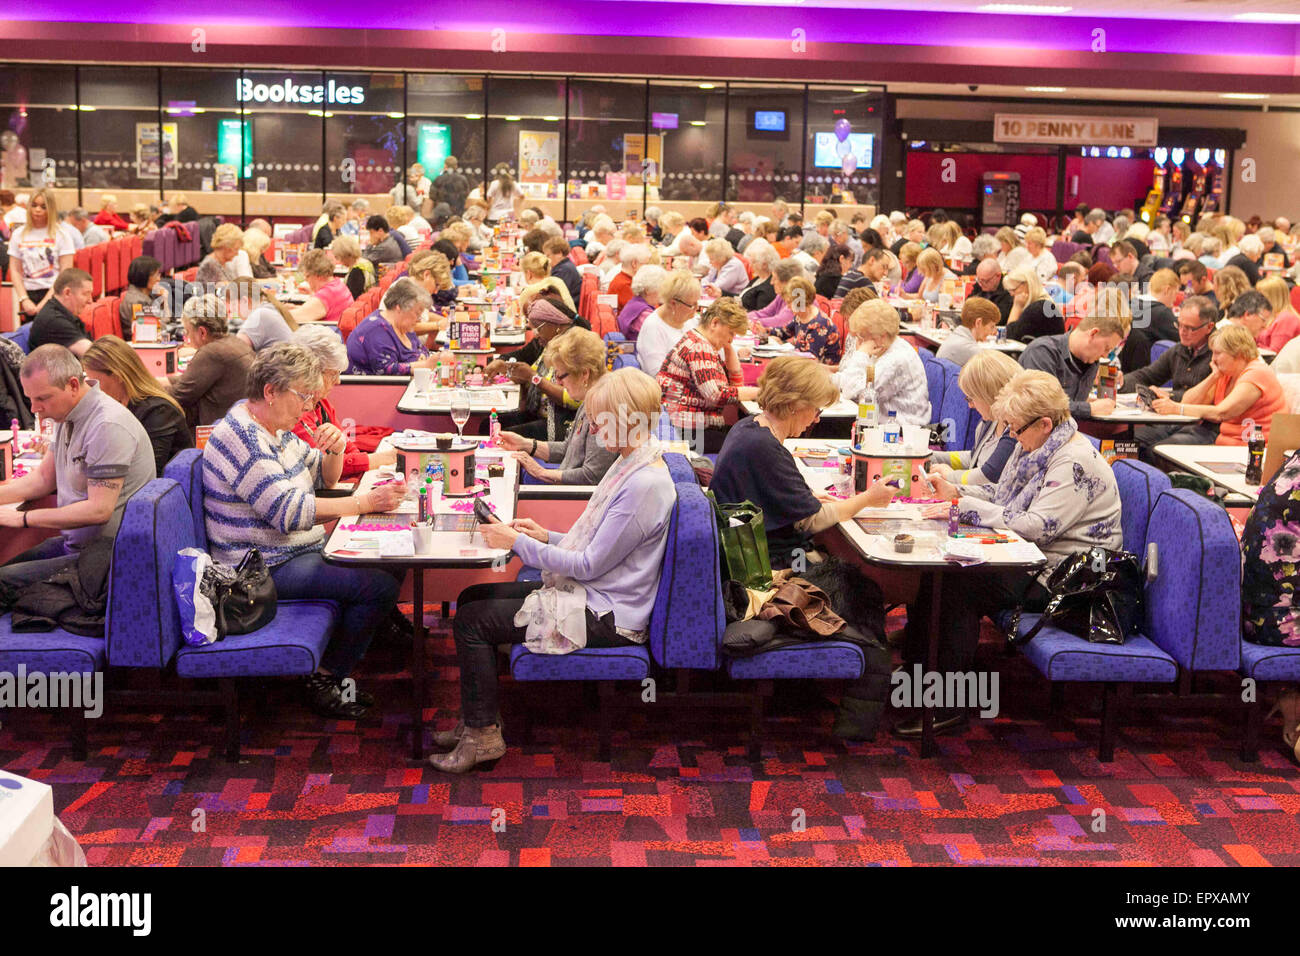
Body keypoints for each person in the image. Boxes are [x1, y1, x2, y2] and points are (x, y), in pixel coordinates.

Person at [431, 368, 674, 772]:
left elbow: (590, 564)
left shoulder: (644, 483)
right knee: (472, 598)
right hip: (597, 593)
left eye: (600, 419)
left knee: (473, 621)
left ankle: (483, 736)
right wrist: (544, 535)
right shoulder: (632, 462)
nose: (594, 427)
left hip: (609, 615)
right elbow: (597, 548)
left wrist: (519, 545)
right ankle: (478, 718)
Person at [911, 371, 1122, 735]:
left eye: (1015, 428)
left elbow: (1036, 525)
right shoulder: (1037, 445)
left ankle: (947, 707)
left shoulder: (1073, 461)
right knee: (937, 575)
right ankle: (918, 679)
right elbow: (1002, 499)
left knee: (961, 585)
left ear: (1043, 423)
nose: (1010, 435)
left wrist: (965, 509)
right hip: (1034, 558)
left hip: (1068, 578)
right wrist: (956, 495)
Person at [202, 344, 405, 719]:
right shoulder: (243, 437)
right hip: (260, 567)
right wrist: (365, 504)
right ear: (270, 391)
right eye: (304, 397)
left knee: (393, 557)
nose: (310, 407)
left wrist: (335, 449)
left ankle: (369, 647)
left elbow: (320, 475)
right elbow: (288, 513)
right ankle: (324, 679)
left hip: (293, 550)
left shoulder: (273, 428)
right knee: (380, 586)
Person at [711, 356, 896, 568]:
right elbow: (812, 521)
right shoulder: (765, 448)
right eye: (816, 410)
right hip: (763, 562)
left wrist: (800, 497)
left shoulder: (747, 426)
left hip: (741, 550)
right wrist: (869, 498)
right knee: (861, 583)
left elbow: (764, 493)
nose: (817, 419)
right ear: (794, 406)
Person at [0, 345, 154, 588]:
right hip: (78, 547)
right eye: (30, 399)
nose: (34, 409)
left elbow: (98, 510)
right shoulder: (67, 412)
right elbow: (43, 479)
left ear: (72, 385)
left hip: (106, 560)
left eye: (42, 398)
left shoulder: (107, 425)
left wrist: (23, 518)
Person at [498, 328, 618, 485]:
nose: (557, 382)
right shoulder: (590, 397)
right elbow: (568, 449)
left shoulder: (605, 406)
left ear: (584, 374)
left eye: (561, 375)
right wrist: (525, 444)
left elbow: (592, 476)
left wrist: (543, 473)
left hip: (569, 498)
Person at [1147, 324, 1286, 447]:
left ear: (1238, 353)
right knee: (1151, 445)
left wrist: (1176, 408)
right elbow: (1188, 401)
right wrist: (1213, 377)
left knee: (1163, 449)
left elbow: (1222, 413)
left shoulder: (1257, 373)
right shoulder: (1226, 373)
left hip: (1252, 450)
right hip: (1225, 442)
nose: (1213, 359)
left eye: (1218, 353)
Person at [290, 324, 395, 482]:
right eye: (333, 375)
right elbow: (322, 466)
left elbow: (347, 447)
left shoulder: (322, 404)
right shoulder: (295, 413)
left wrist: (365, 459)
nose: (338, 381)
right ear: (311, 372)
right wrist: (382, 459)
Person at [658, 299, 759, 453]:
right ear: (715, 323)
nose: (731, 339)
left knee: (748, 438)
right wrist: (759, 393)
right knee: (750, 446)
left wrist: (729, 348)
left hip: (689, 427)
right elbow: (716, 394)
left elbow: (735, 388)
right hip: (686, 431)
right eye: (731, 332)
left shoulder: (698, 341)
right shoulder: (700, 347)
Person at [81, 336, 192, 477]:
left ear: (118, 376)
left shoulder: (158, 411)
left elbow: (148, 474)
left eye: (95, 381)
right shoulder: (121, 404)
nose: (93, 389)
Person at [928, 349, 1021, 486]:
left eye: (971, 398)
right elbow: (973, 457)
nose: (970, 405)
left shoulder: (1015, 428)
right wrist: (929, 456)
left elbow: (988, 475)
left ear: (989, 395)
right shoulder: (990, 421)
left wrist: (950, 475)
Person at [832, 299, 931, 425]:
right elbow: (851, 380)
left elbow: (852, 392)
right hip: (881, 425)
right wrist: (825, 381)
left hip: (901, 432)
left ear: (881, 336)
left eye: (862, 337)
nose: (859, 343)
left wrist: (861, 354)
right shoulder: (884, 348)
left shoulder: (896, 359)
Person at [1019, 307, 1129, 419]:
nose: (1105, 356)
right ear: (1093, 333)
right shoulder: (1042, 352)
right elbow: (1043, 407)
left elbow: (1070, 404)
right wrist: (1090, 408)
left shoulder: (1091, 362)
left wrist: (1088, 404)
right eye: (1106, 348)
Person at [166, 295, 253, 429]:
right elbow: (192, 380)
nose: (187, 337)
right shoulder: (234, 342)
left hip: (218, 432)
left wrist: (147, 388)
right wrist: (163, 381)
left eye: (187, 332)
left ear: (202, 332)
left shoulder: (211, 353)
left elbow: (177, 396)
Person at [344, 277, 439, 376]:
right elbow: (385, 370)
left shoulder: (404, 326)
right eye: (417, 313)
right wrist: (422, 365)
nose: (419, 319)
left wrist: (422, 356)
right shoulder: (376, 330)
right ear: (399, 307)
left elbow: (421, 348)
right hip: (371, 387)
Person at [9, 188, 75, 319]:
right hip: (29, 296)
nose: (38, 210)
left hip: (55, 294)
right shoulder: (18, 234)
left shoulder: (62, 235)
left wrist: (46, 301)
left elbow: (65, 272)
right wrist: (24, 299)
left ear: (50, 209)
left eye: (43, 206)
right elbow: (15, 269)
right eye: (34, 205)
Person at [636, 269, 701, 377]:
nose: (696, 309)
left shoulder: (689, 321)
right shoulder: (653, 328)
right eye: (692, 305)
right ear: (673, 303)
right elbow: (658, 373)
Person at [1120, 267, 1180, 371]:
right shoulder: (1162, 313)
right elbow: (1181, 339)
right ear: (1167, 290)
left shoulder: (1131, 303)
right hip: (1146, 371)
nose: (1175, 299)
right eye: (1175, 294)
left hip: (1124, 365)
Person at [772, 275, 840, 364]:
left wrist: (783, 346)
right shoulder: (801, 316)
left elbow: (810, 360)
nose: (788, 307)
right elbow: (785, 332)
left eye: (789, 302)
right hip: (803, 366)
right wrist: (764, 331)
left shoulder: (818, 324)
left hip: (819, 372)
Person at [28, 268, 93, 356]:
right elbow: (94, 356)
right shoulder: (54, 321)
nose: (90, 301)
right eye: (86, 294)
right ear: (67, 292)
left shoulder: (65, 314)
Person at [230, 278, 300, 351]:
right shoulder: (267, 308)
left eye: (233, 304)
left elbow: (235, 350)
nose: (232, 309)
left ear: (244, 301)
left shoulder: (260, 315)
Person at [291, 248, 354, 325]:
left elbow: (295, 318)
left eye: (307, 276)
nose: (306, 280)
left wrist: (280, 310)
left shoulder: (326, 295)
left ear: (318, 275)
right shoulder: (338, 284)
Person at [1003, 265, 1065, 342]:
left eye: (1013, 289)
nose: (1011, 294)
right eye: (1009, 291)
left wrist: (1017, 307)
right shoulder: (1041, 302)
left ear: (1027, 285)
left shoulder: (1040, 307)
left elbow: (1009, 335)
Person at [936, 296, 1001, 368]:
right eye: (992, 327)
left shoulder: (956, 336)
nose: (995, 332)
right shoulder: (971, 350)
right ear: (978, 323)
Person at [117, 255, 167, 341]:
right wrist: (165, 299)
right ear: (144, 276)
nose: (159, 279)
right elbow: (160, 327)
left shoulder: (146, 295)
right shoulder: (136, 301)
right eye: (156, 275)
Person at [746, 259, 806, 330]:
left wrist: (751, 322)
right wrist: (743, 318)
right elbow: (764, 313)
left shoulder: (799, 298)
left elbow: (779, 322)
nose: (771, 282)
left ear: (786, 282)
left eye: (775, 279)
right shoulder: (781, 295)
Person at [617, 264, 665, 341]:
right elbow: (661, 337)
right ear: (648, 290)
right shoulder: (644, 314)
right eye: (661, 288)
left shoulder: (634, 303)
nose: (663, 293)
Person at [1255, 275, 1300, 351]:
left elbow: (1275, 352)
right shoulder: (1271, 316)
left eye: (1261, 296)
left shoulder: (1286, 319)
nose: (1256, 300)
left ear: (1273, 297)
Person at [967, 258, 1013, 323]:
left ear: (998, 276)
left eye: (986, 281)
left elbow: (998, 319)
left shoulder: (1008, 291)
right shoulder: (980, 283)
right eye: (979, 280)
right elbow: (968, 305)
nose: (981, 284)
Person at [738, 239, 778, 312]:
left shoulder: (768, 288)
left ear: (764, 265)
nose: (750, 265)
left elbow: (760, 314)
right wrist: (721, 293)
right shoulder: (758, 278)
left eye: (753, 262)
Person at [607, 242, 649, 311]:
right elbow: (641, 311)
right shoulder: (624, 285)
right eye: (645, 264)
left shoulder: (624, 279)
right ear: (634, 264)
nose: (647, 268)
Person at [541, 236, 582, 305]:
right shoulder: (563, 266)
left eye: (548, 256)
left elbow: (553, 295)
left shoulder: (564, 270)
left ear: (559, 254)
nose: (547, 259)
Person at [331, 235, 374, 300]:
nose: (339, 261)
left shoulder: (356, 272)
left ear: (345, 255)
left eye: (338, 257)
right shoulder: (365, 262)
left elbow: (351, 297)